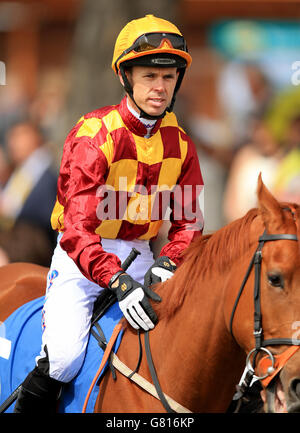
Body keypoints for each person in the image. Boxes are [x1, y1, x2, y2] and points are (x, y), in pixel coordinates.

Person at [13, 14, 204, 413]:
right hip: (83, 261)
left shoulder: (182, 144)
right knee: (64, 359)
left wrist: (169, 262)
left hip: (143, 258)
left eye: (168, 78)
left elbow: (188, 224)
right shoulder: (94, 134)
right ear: (126, 77)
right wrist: (114, 278)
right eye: (150, 75)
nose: (160, 87)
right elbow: (76, 229)